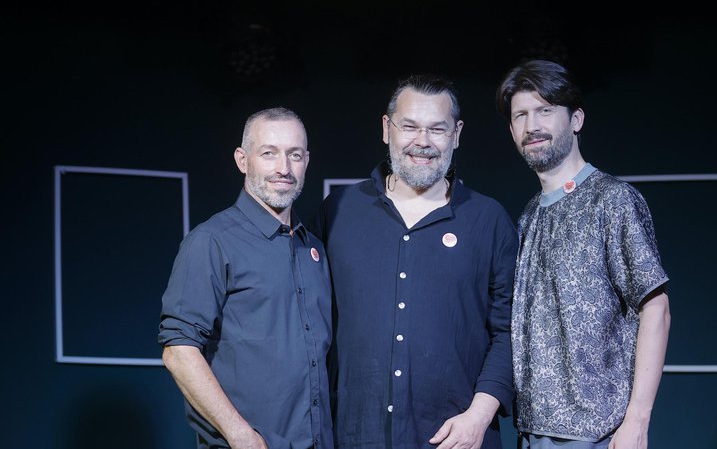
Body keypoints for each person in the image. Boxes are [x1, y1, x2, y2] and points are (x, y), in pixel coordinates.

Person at [312, 75, 518, 449]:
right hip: (355, 436)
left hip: (458, 439)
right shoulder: (339, 212)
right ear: (386, 129)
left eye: (436, 129)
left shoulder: (489, 221)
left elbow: (509, 333)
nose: (422, 142)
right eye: (409, 127)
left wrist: (479, 416)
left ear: (456, 134)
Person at [495, 59, 671, 449]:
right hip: (530, 433)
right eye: (520, 115)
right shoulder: (527, 216)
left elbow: (655, 308)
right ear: (511, 130)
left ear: (576, 119)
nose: (532, 125)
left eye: (545, 111)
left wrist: (637, 422)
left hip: (597, 434)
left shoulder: (612, 200)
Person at [158, 107, 333, 449]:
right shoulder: (212, 241)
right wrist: (240, 435)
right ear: (242, 159)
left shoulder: (313, 249)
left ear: (306, 161)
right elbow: (178, 351)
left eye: (294, 155)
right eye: (269, 153)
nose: (283, 168)